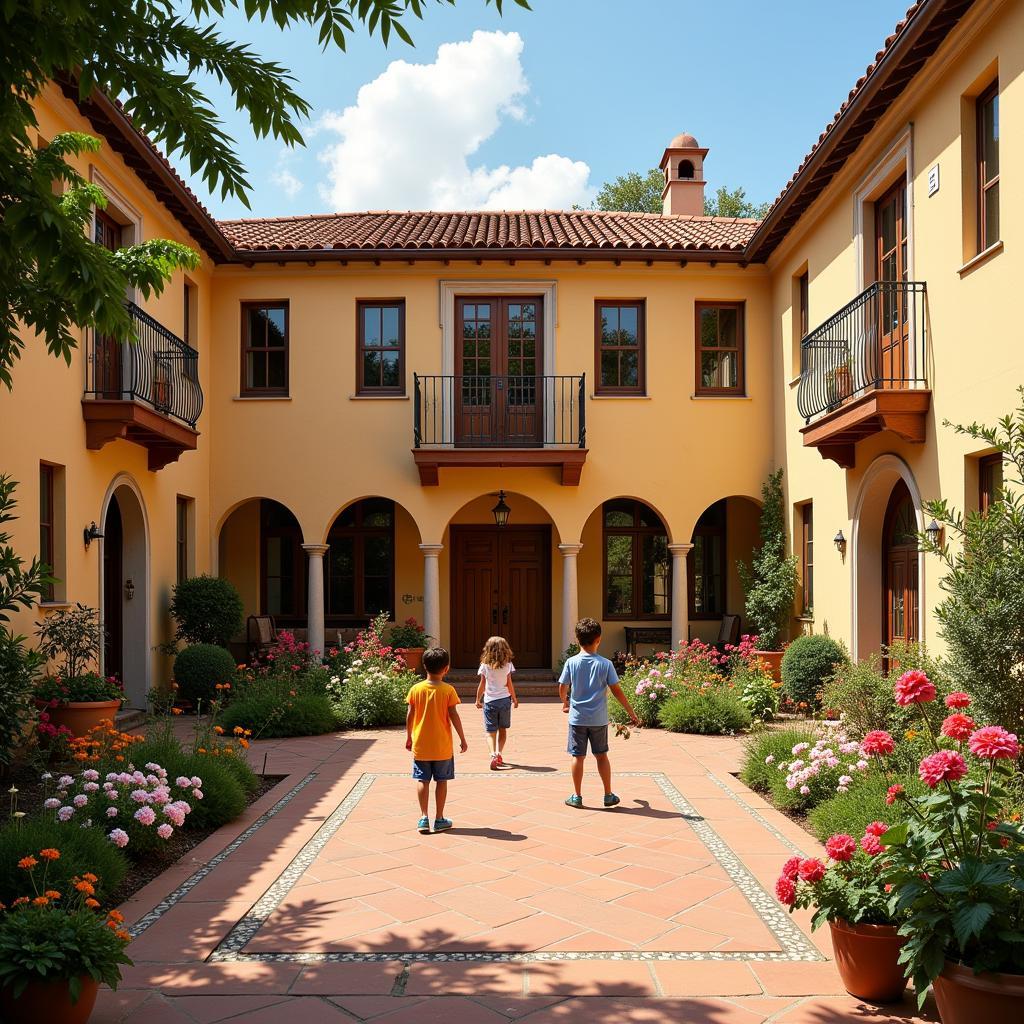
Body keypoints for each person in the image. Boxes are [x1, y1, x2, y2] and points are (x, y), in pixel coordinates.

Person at [558, 617, 639, 809]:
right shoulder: (605, 664)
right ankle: (608, 794)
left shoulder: (571, 662)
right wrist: (631, 712)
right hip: (599, 720)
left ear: (577, 639)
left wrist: (565, 702)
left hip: (577, 719)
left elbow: (563, 686)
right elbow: (617, 691)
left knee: (578, 756)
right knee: (601, 756)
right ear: (599, 639)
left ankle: (577, 796)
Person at [405, 646, 468, 833]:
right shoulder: (448, 690)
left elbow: (410, 714)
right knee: (442, 780)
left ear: (424, 666)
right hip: (442, 746)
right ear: (446, 668)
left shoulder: (415, 689)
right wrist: (463, 739)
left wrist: (409, 736)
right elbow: (454, 715)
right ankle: (439, 818)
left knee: (422, 780)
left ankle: (423, 817)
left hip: (421, 745)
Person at [475, 635, 519, 770]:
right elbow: (509, 684)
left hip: (490, 702)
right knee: (503, 729)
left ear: (487, 649)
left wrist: (478, 699)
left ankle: (492, 754)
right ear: (505, 650)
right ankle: (500, 752)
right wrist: (514, 698)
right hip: (505, 700)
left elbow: (482, 685)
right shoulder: (508, 665)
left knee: (490, 731)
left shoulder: (484, 666)